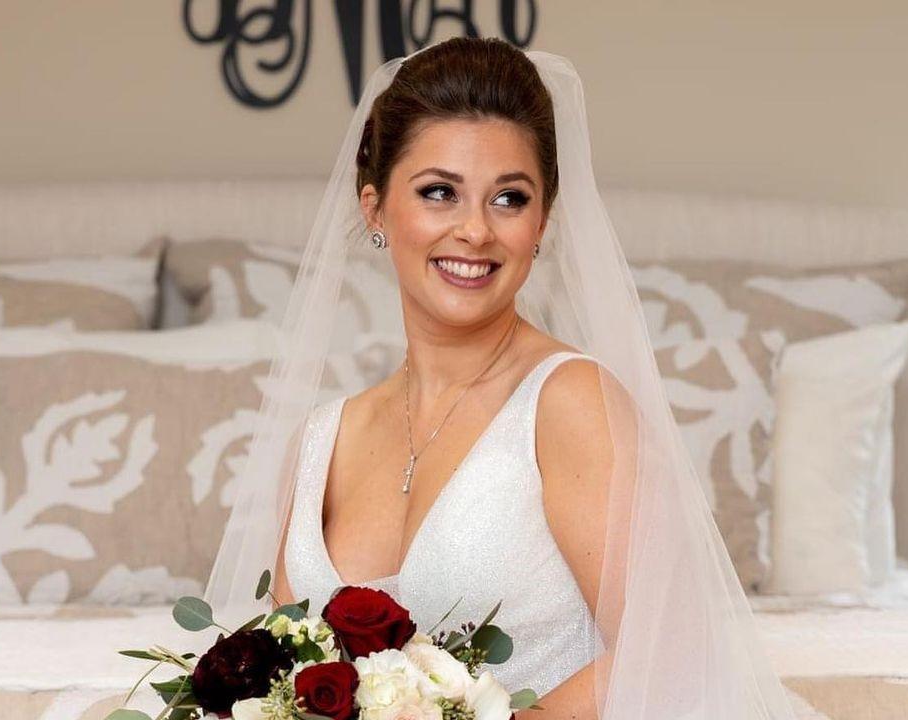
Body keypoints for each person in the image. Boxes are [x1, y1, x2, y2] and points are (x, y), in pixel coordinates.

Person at [205, 37, 796, 719]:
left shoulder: (570, 402)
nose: (475, 231)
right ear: (374, 207)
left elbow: (674, 650)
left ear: (542, 221)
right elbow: (281, 683)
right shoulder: (318, 444)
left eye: (509, 199)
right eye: (439, 193)